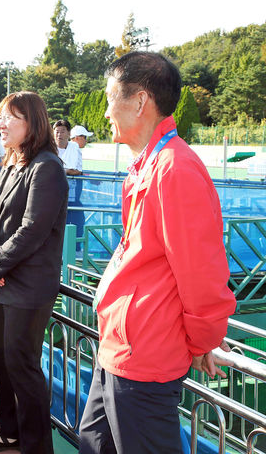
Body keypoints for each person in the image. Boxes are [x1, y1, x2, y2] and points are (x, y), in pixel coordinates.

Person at [78, 52, 237, 454]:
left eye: (110, 96)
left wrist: (203, 341)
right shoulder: (151, 163)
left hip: (144, 356)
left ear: (139, 102)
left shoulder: (174, 168)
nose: (106, 108)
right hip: (123, 347)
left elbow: (201, 273)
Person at [0, 92, 68, 454]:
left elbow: (33, 229)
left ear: (32, 122)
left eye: (10, 118)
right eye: (0, 118)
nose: (2, 125)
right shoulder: (12, 162)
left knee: (22, 365)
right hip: (1, 282)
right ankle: (9, 431)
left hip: (28, 287)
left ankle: (36, 445)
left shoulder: (46, 167)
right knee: (0, 359)